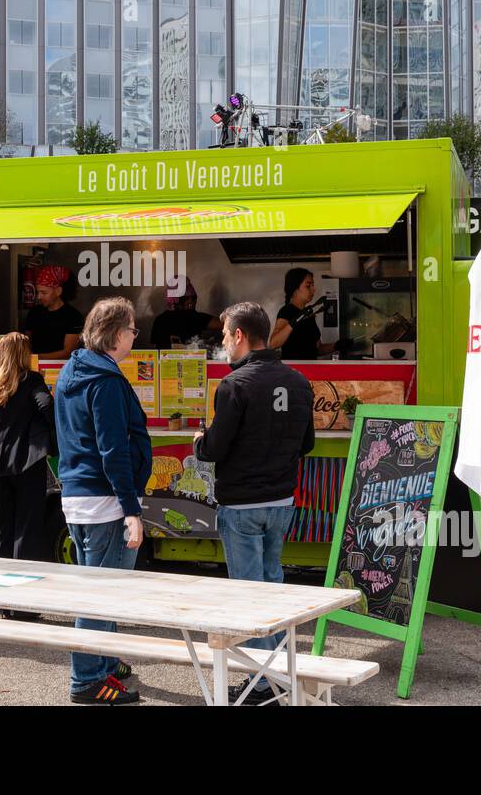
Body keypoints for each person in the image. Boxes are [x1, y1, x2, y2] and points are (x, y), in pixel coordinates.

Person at [194, 301, 315, 704]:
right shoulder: (298, 381)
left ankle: (260, 683)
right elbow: (308, 444)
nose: (224, 342)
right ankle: (275, 673)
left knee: (248, 594)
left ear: (240, 335)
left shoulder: (234, 385)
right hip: (281, 502)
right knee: (272, 587)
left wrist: (200, 442)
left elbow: (215, 448)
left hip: (242, 504)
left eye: (226, 335)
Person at [54, 297, 151, 705]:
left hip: (78, 496)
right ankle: (88, 679)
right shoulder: (106, 381)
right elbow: (113, 448)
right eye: (131, 329)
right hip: (106, 501)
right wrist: (131, 510)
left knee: (96, 586)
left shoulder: (71, 372)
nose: (134, 336)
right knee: (100, 594)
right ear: (115, 334)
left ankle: (105, 662)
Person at [0, 332, 56, 578]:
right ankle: (23, 598)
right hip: (28, 461)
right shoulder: (32, 379)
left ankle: (2, 598)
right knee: (27, 528)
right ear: (23, 354)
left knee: (2, 528)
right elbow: (46, 405)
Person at [269, 267, 335, 360]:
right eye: (308, 286)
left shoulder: (309, 314)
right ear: (295, 289)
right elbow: (273, 343)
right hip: (293, 372)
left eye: (313, 285)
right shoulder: (287, 311)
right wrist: (295, 321)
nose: (313, 289)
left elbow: (318, 349)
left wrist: (337, 346)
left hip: (311, 371)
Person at [24, 265, 84, 360]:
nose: (39, 297)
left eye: (44, 293)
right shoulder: (34, 313)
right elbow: (26, 343)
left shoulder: (74, 317)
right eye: (38, 292)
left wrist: (35, 357)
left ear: (58, 291)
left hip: (61, 369)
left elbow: (68, 353)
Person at [150, 278, 222, 349]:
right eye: (194, 298)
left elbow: (156, 349)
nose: (194, 302)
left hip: (165, 360)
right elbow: (226, 324)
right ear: (189, 300)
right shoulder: (195, 317)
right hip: (193, 360)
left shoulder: (159, 319)